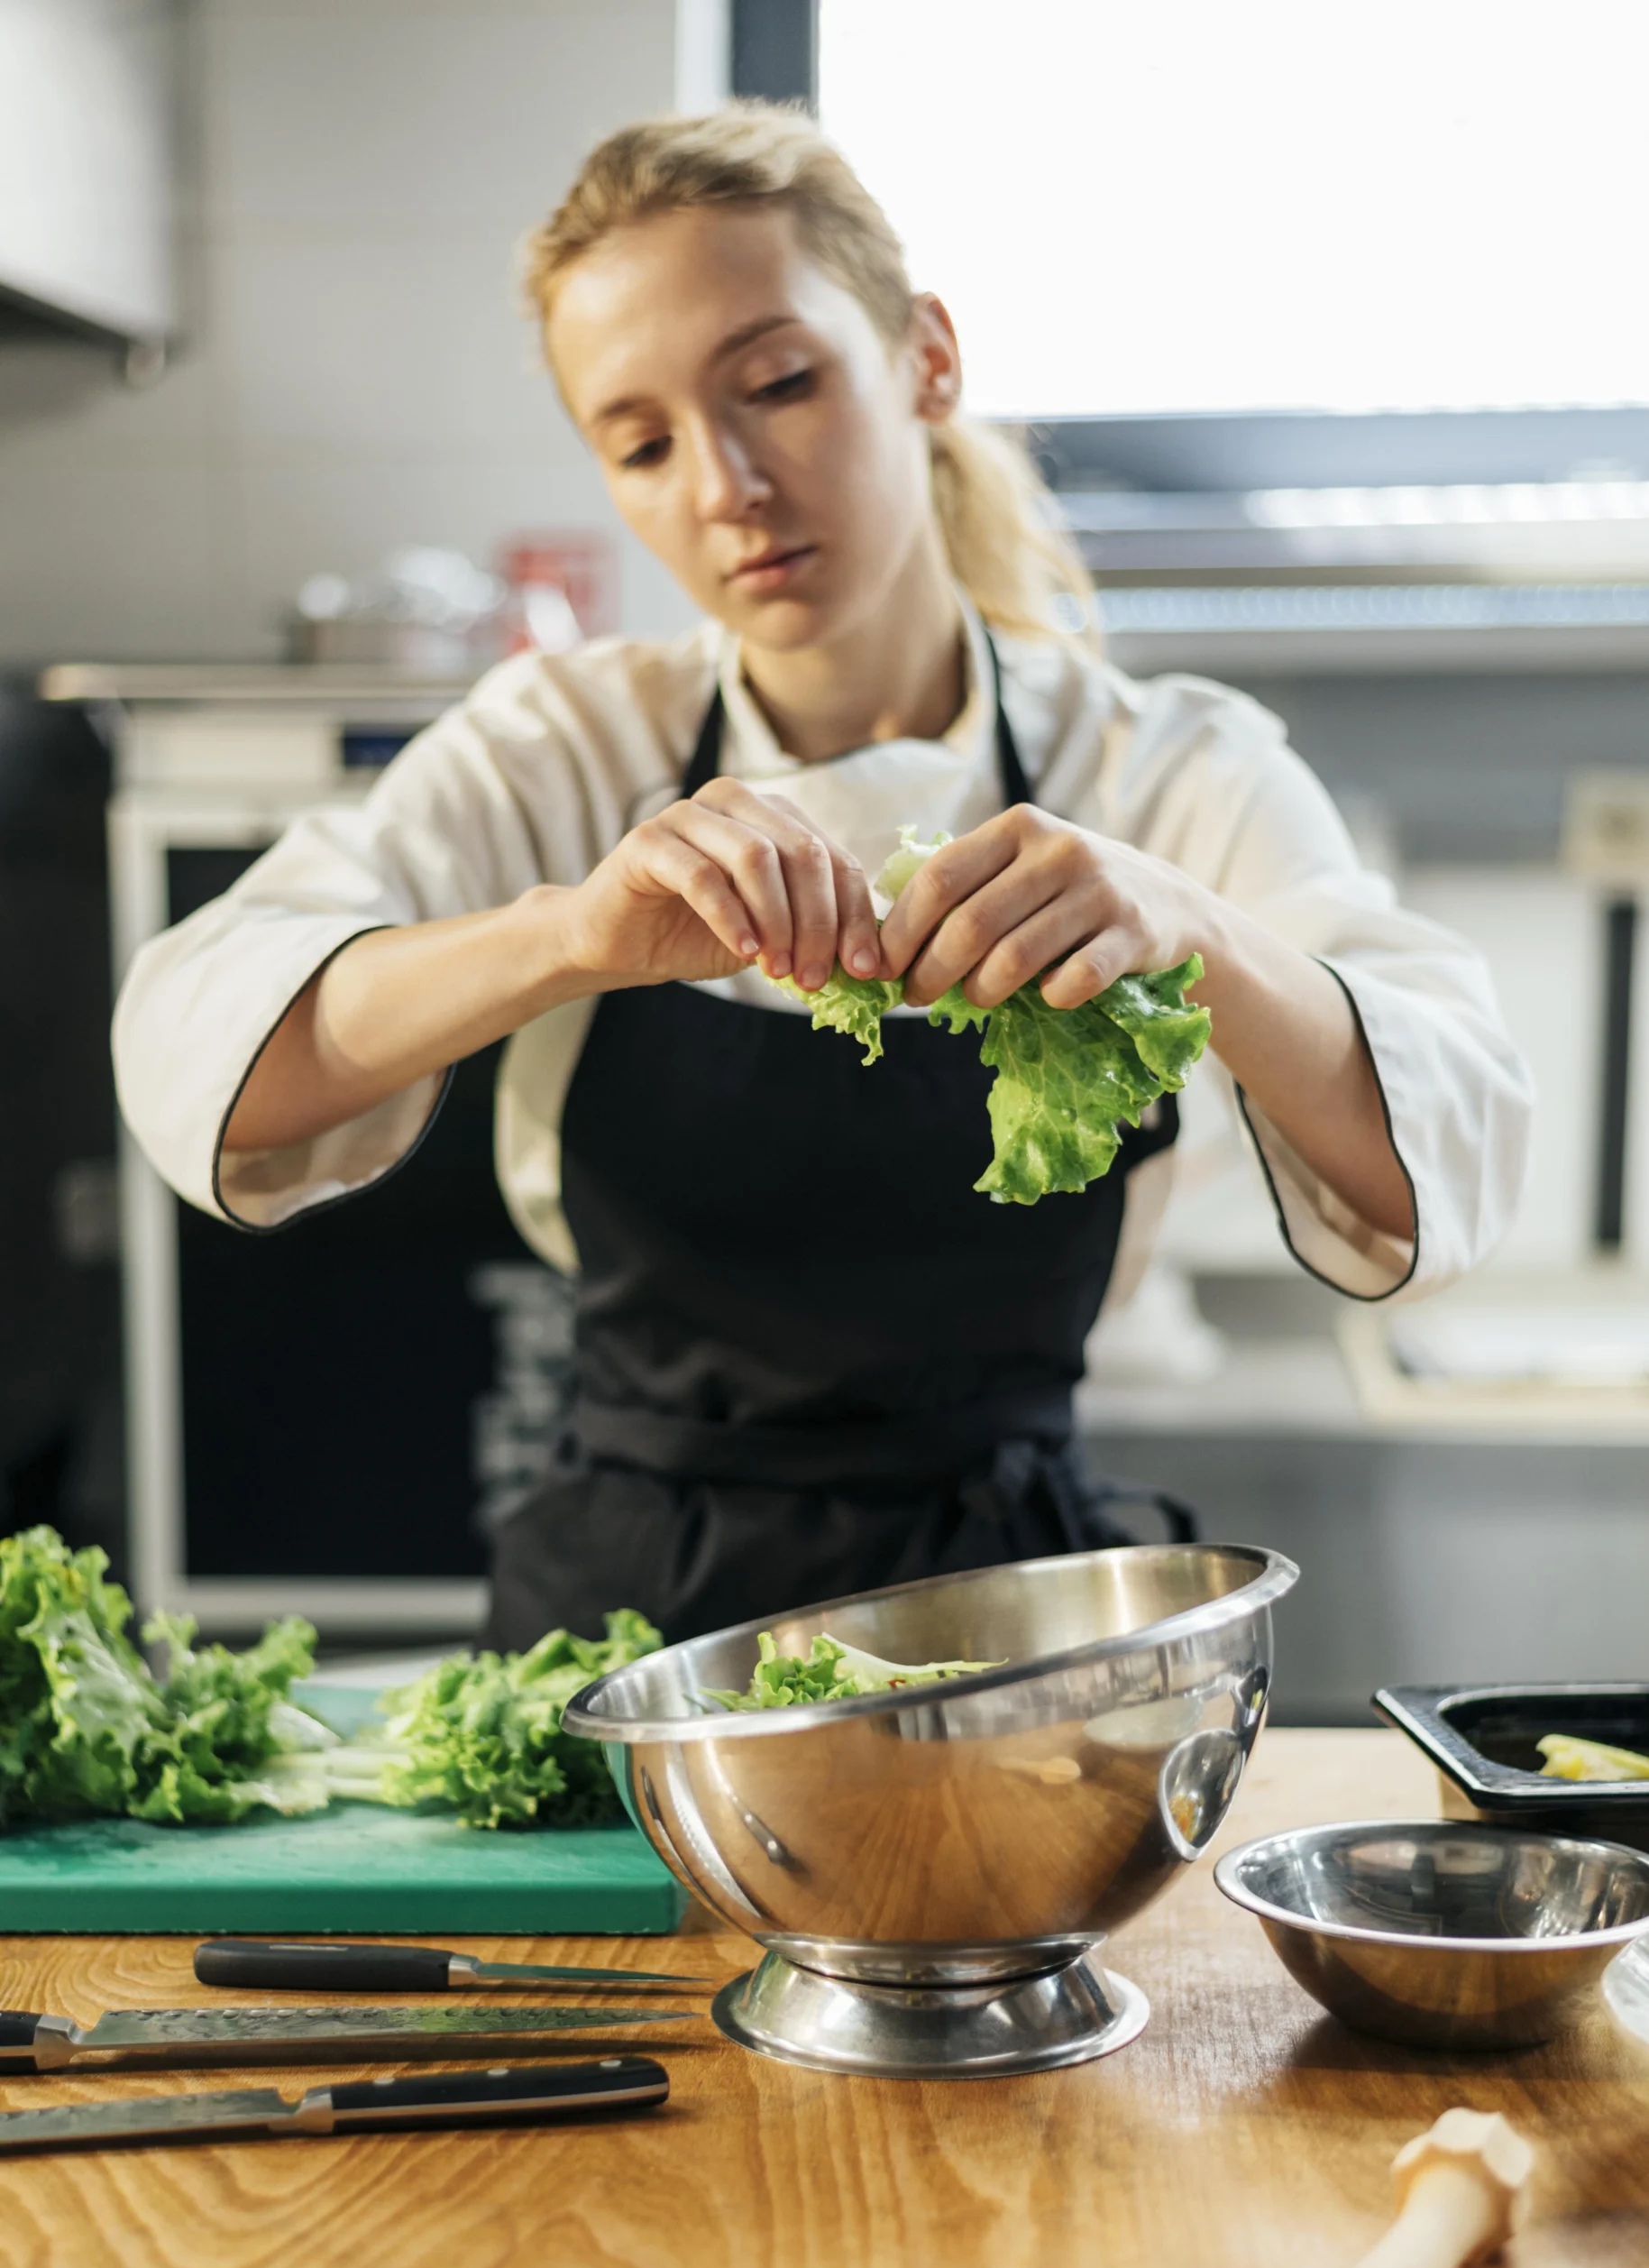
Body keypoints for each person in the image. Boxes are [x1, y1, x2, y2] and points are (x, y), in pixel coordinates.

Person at [114, 106, 1531, 1648]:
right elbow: (209, 1048)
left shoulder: (1164, 768)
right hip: (632, 1649)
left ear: (926, 358)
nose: (722, 485)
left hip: (1016, 1637)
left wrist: (1193, 932)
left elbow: (1443, 1153)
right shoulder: (569, 745)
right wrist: (568, 936)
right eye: (642, 443)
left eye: (777, 383)